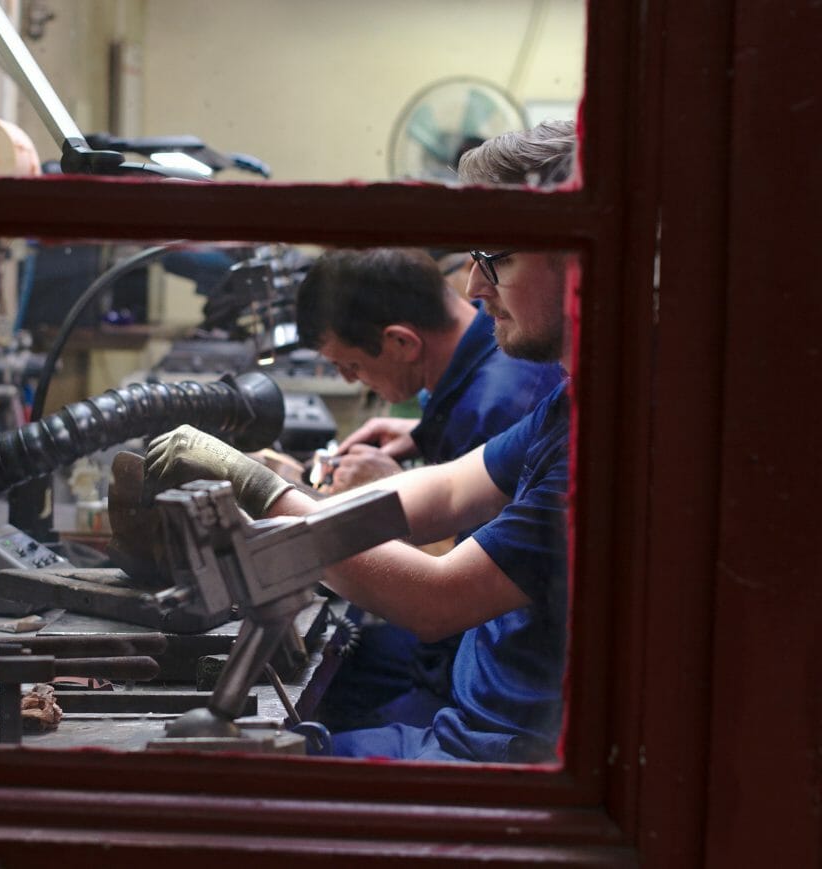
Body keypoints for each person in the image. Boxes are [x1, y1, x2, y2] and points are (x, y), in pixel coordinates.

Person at [141, 119, 579, 763]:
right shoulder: (572, 402)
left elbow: (436, 599)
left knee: (208, 786)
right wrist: (299, 496)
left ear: (578, 261)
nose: (474, 286)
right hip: (477, 720)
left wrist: (262, 492)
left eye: (498, 257)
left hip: (500, 755)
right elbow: (449, 485)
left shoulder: (612, 441)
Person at [293, 246, 562, 730]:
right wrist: (419, 434)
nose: (476, 286)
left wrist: (273, 497)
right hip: (477, 664)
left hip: (495, 697)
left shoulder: (503, 400)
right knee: (346, 667)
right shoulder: (514, 383)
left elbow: (446, 592)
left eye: (350, 366)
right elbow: (451, 489)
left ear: (401, 342)